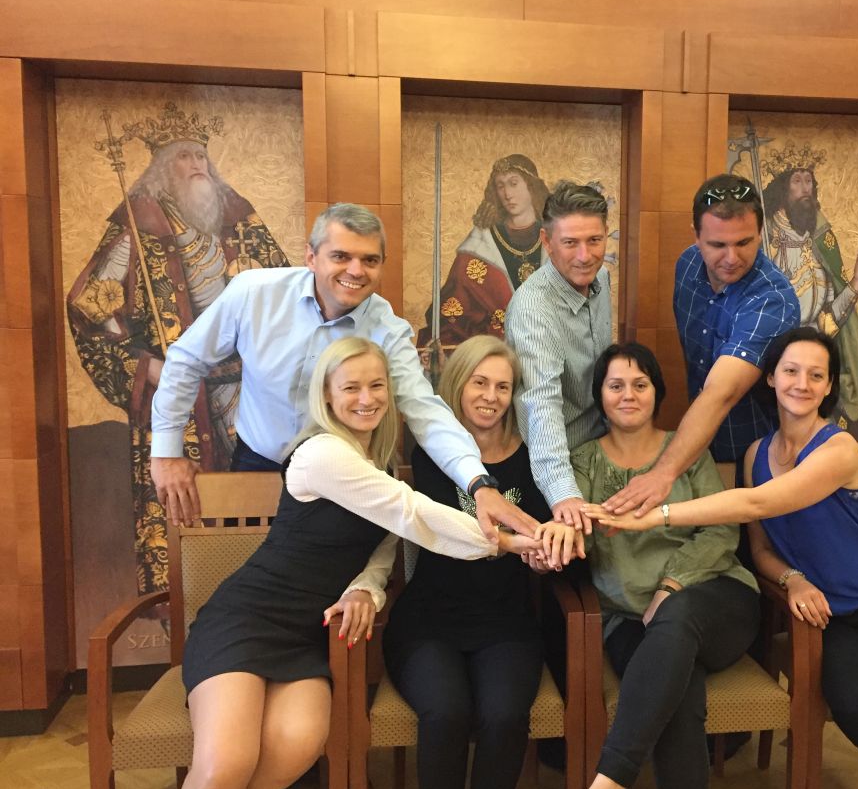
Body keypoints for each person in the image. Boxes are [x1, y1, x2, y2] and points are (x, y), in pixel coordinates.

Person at [585, 327, 858, 789]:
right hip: (832, 617)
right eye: (791, 371)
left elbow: (756, 504)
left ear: (829, 386)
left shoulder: (840, 448)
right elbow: (761, 549)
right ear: (770, 377)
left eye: (816, 375)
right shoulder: (755, 455)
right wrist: (793, 579)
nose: (802, 383)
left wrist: (655, 514)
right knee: (857, 709)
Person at [170, 337, 550, 789]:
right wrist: (508, 541)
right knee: (226, 767)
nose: (366, 398)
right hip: (246, 621)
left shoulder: (379, 464)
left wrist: (365, 590)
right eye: (351, 388)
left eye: (377, 386)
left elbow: (382, 547)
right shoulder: (322, 453)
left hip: (309, 636)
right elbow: (408, 512)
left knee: (295, 749)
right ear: (327, 396)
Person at [150, 202, 541, 543]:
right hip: (259, 461)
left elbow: (425, 412)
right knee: (252, 570)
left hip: (345, 475)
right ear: (311, 257)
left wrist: (479, 484)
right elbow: (186, 360)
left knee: (333, 589)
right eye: (341, 256)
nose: (356, 270)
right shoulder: (253, 293)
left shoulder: (388, 330)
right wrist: (166, 453)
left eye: (370, 260)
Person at [341, 334, 578, 789]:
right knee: (446, 712)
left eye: (503, 387)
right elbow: (441, 531)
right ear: (457, 385)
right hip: (429, 621)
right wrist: (516, 542)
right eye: (479, 383)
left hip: (506, 623)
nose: (491, 397)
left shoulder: (535, 459)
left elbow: (545, 538)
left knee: (504, 715)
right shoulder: (428, 452)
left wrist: (546, 555)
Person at [68, 102, 290, 594]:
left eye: (200, 156)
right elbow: (90, 308)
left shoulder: (240, 219)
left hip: (249, 389)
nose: (196, 166)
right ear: (161, 170)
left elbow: (290, 294)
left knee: (261, 501)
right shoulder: (139, 227)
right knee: (189, 507)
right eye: (183, 157)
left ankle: (265, 597)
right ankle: (190, 610)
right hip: (180, 397)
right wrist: (143, 366)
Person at [563, 342, 759, 789]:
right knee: (679, 695)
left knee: (679, 614)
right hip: (627, 619)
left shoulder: (686, 452)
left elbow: (722, 530)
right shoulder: (582, 462)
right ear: (599, 395)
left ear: (657, 391)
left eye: (640, 384)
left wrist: (671, 585)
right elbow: (576, 533)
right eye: (616, 385)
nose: (628, 395)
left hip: (717, 600)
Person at [601, 173, 799, 524]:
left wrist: (662, 474)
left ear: (760, 232)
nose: (731, 257)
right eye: (717, 245)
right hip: (701, 452)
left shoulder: (772, 299)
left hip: (762, 461)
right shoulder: (688, 264)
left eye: (744, 242)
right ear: (696, 235)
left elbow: (720, 393)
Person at [506, 181, 613, 533]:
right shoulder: (533, 308)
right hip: (554, 462)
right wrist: (563, 494)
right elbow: (541, 405)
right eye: (570, 243)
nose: (585, 255)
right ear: (547, 241)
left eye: (594, 240)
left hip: (601, 448)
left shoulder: (602, 278)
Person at [761, 163, 858, 423]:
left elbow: (826, 323)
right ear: (782, 190)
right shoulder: (765, 241)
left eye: (808, 181)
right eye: (797, 181)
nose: (805, 188)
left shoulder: (819, 243)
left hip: (813, 365)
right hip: (775, 366)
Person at [417, 154, 551, 350]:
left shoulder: (556, 238)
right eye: (500, 186)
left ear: (531, 186)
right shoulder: (479, 245)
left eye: (514, 183)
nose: (507, 194)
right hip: (493, 354)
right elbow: (453, 312)